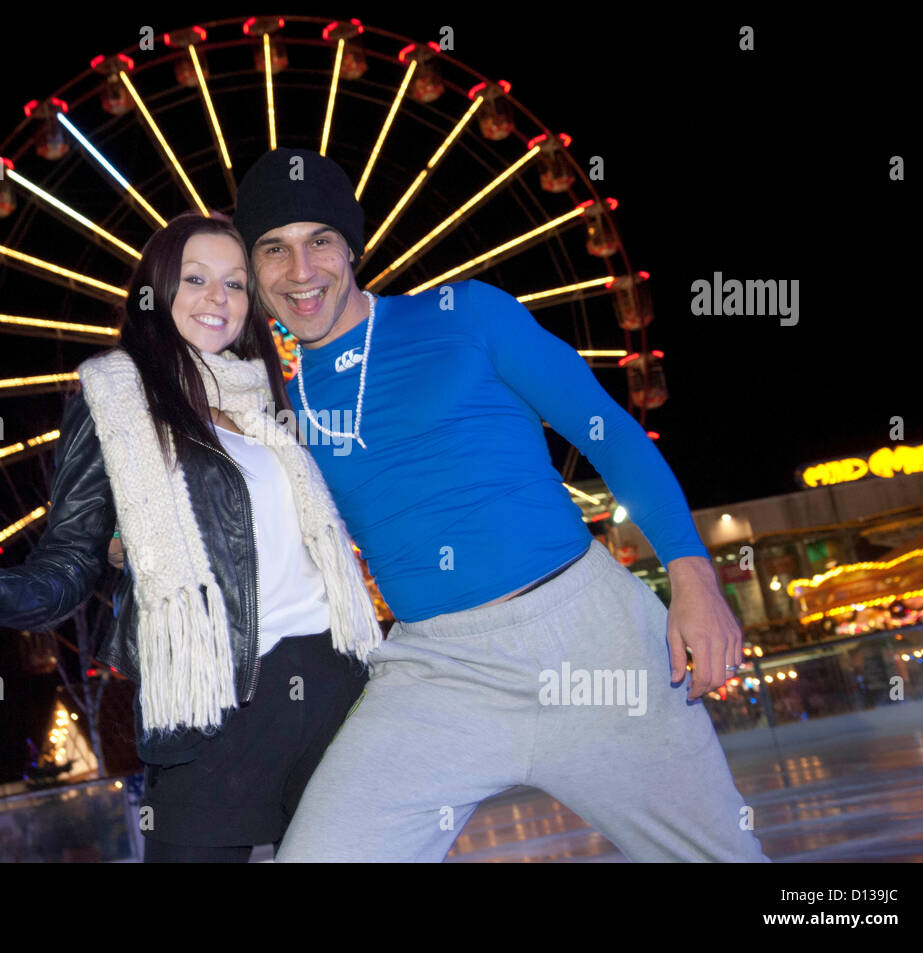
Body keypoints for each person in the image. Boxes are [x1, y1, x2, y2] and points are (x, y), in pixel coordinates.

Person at [227, 146, 771, 862]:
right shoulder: (280, 412)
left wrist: (692, 572)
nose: (301, 271)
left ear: (351, 248)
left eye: (319, 240)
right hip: (437, 672)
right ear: (252, 271)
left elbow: (609, 434)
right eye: (274, 248)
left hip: (588, 639)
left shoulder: (468, 315)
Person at [0, 211, 382, 862]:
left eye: (236, 283)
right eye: (196, 278)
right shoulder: (114, 404)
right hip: (213, 699)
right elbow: (70, 561)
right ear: (155, 290)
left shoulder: (270, 398)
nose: (220, 297)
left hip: (328, 682)